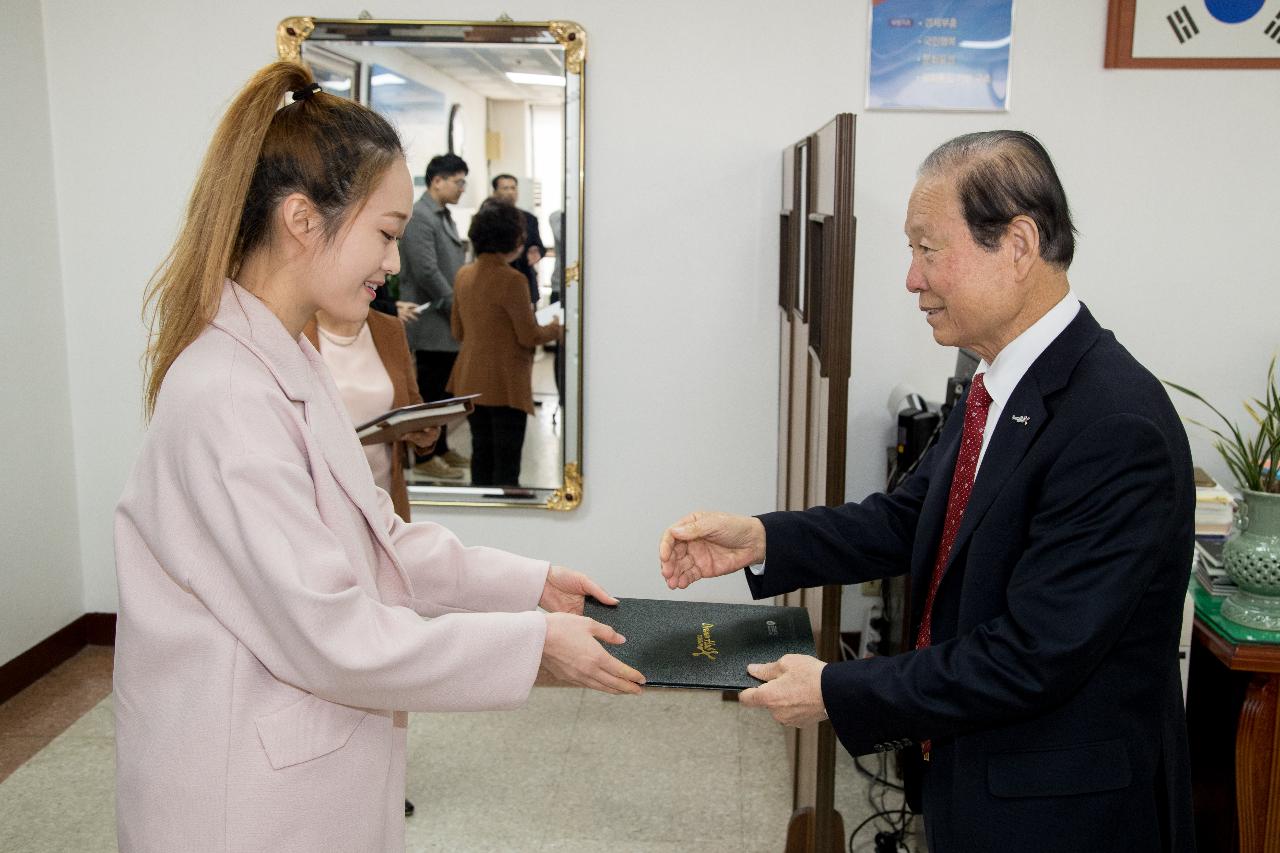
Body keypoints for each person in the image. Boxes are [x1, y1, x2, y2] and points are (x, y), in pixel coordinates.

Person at [115, 61, 644, 853]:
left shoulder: (286, 360)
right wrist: (531, 646)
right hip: (239, 802)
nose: (394, 264)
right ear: (302, 220)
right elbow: (333, 636)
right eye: (386, 234)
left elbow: (381, 543)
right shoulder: (227, 395)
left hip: (303, 766)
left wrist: (532, 585)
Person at [658, 131, 1195, 853]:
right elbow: (913, 517)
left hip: (1063, 812)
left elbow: (1032, 654)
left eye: (927, 248)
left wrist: (837, 690)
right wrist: (762, 538)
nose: (912, 279)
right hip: (979, 777)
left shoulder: (1114, 424)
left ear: (1018, 244)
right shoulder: (995, 379)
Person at [448, 201, 563, 486]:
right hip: (505, 382)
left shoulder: (463, 275)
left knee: (481, 455)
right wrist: (557, 329)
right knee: (507, 464)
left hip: (470, 379)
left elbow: (457, 330)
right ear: (513, 238)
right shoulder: (513, 280)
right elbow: (529, 335)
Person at [398, 153, 471, 480]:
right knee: (430, 391)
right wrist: (457, 308)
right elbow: (427, 271)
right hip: (431, 320)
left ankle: (440, 448)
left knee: (444, 391)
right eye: (458, 181)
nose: (462, 188)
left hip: (446, 319)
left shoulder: (443, 216)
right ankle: (425, 455)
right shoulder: (421, 216)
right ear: (437, 180)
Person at [490, 174, 545, 306]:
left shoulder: (529, 219)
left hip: (524, 278)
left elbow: (539, 245)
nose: (510, 192)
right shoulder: (488, 218)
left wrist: (536, 250)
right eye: (505, 188)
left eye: (513, 188)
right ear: (495, 192)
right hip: (497, 281)